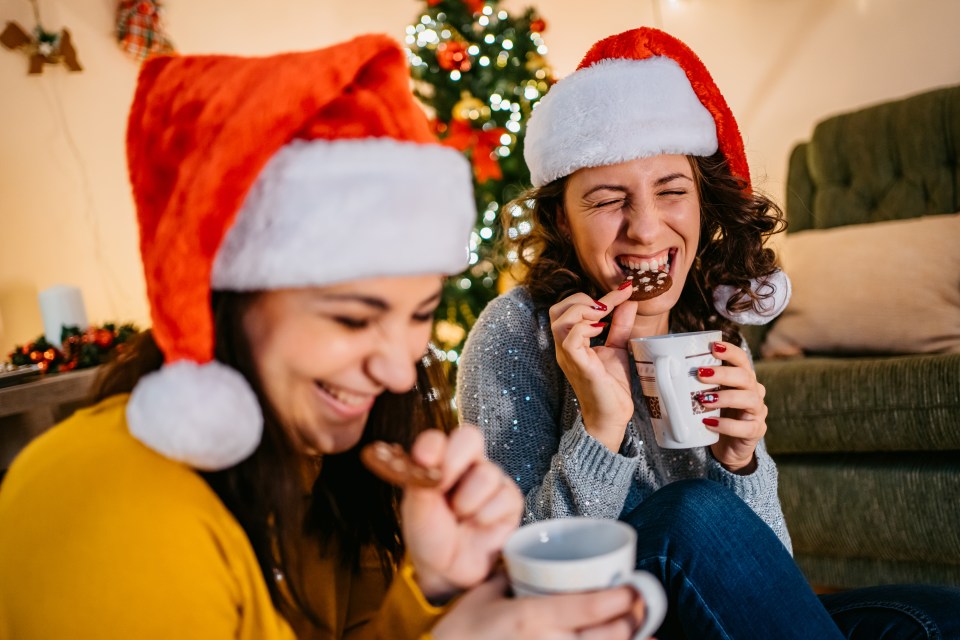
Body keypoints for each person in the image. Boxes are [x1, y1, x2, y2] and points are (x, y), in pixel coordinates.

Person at [0, 36, 652, 639]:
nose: (400, 372)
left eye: (420, 312)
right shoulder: (109, 506)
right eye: (351, 319)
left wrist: (433, 588)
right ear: (215, 305)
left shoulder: (330, 463)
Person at [458, 27, 960, 639]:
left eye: (671, 191)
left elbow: (764, 574)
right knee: (692, 515)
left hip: (699, 614)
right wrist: (598, 427)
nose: (646, 230)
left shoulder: (708, 325)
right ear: (562, 218)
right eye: (608, 200)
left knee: (935, 617)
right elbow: (511, 581)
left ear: (701, 201)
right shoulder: (517, 334)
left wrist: (740, 462)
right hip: (594, 617)